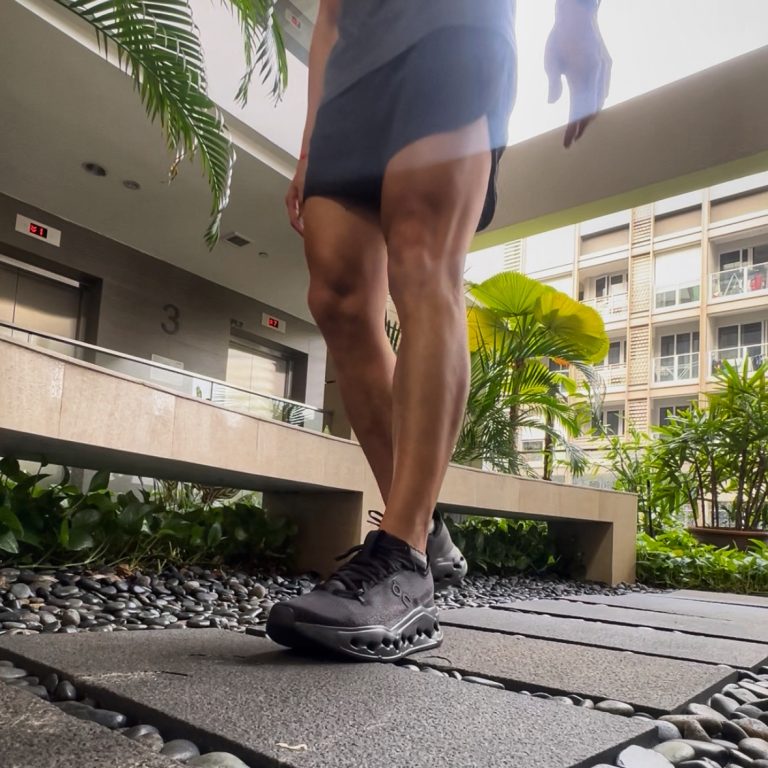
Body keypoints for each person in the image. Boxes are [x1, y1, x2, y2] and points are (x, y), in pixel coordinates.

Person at [266, 0, 611, 661]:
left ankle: (402, 555)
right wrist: (310, 143)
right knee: (337, 297)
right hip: (354, 68)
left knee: (423, 260)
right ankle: (425, 530)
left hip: (455, 26)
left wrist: (576, 18)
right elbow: (330, 13)